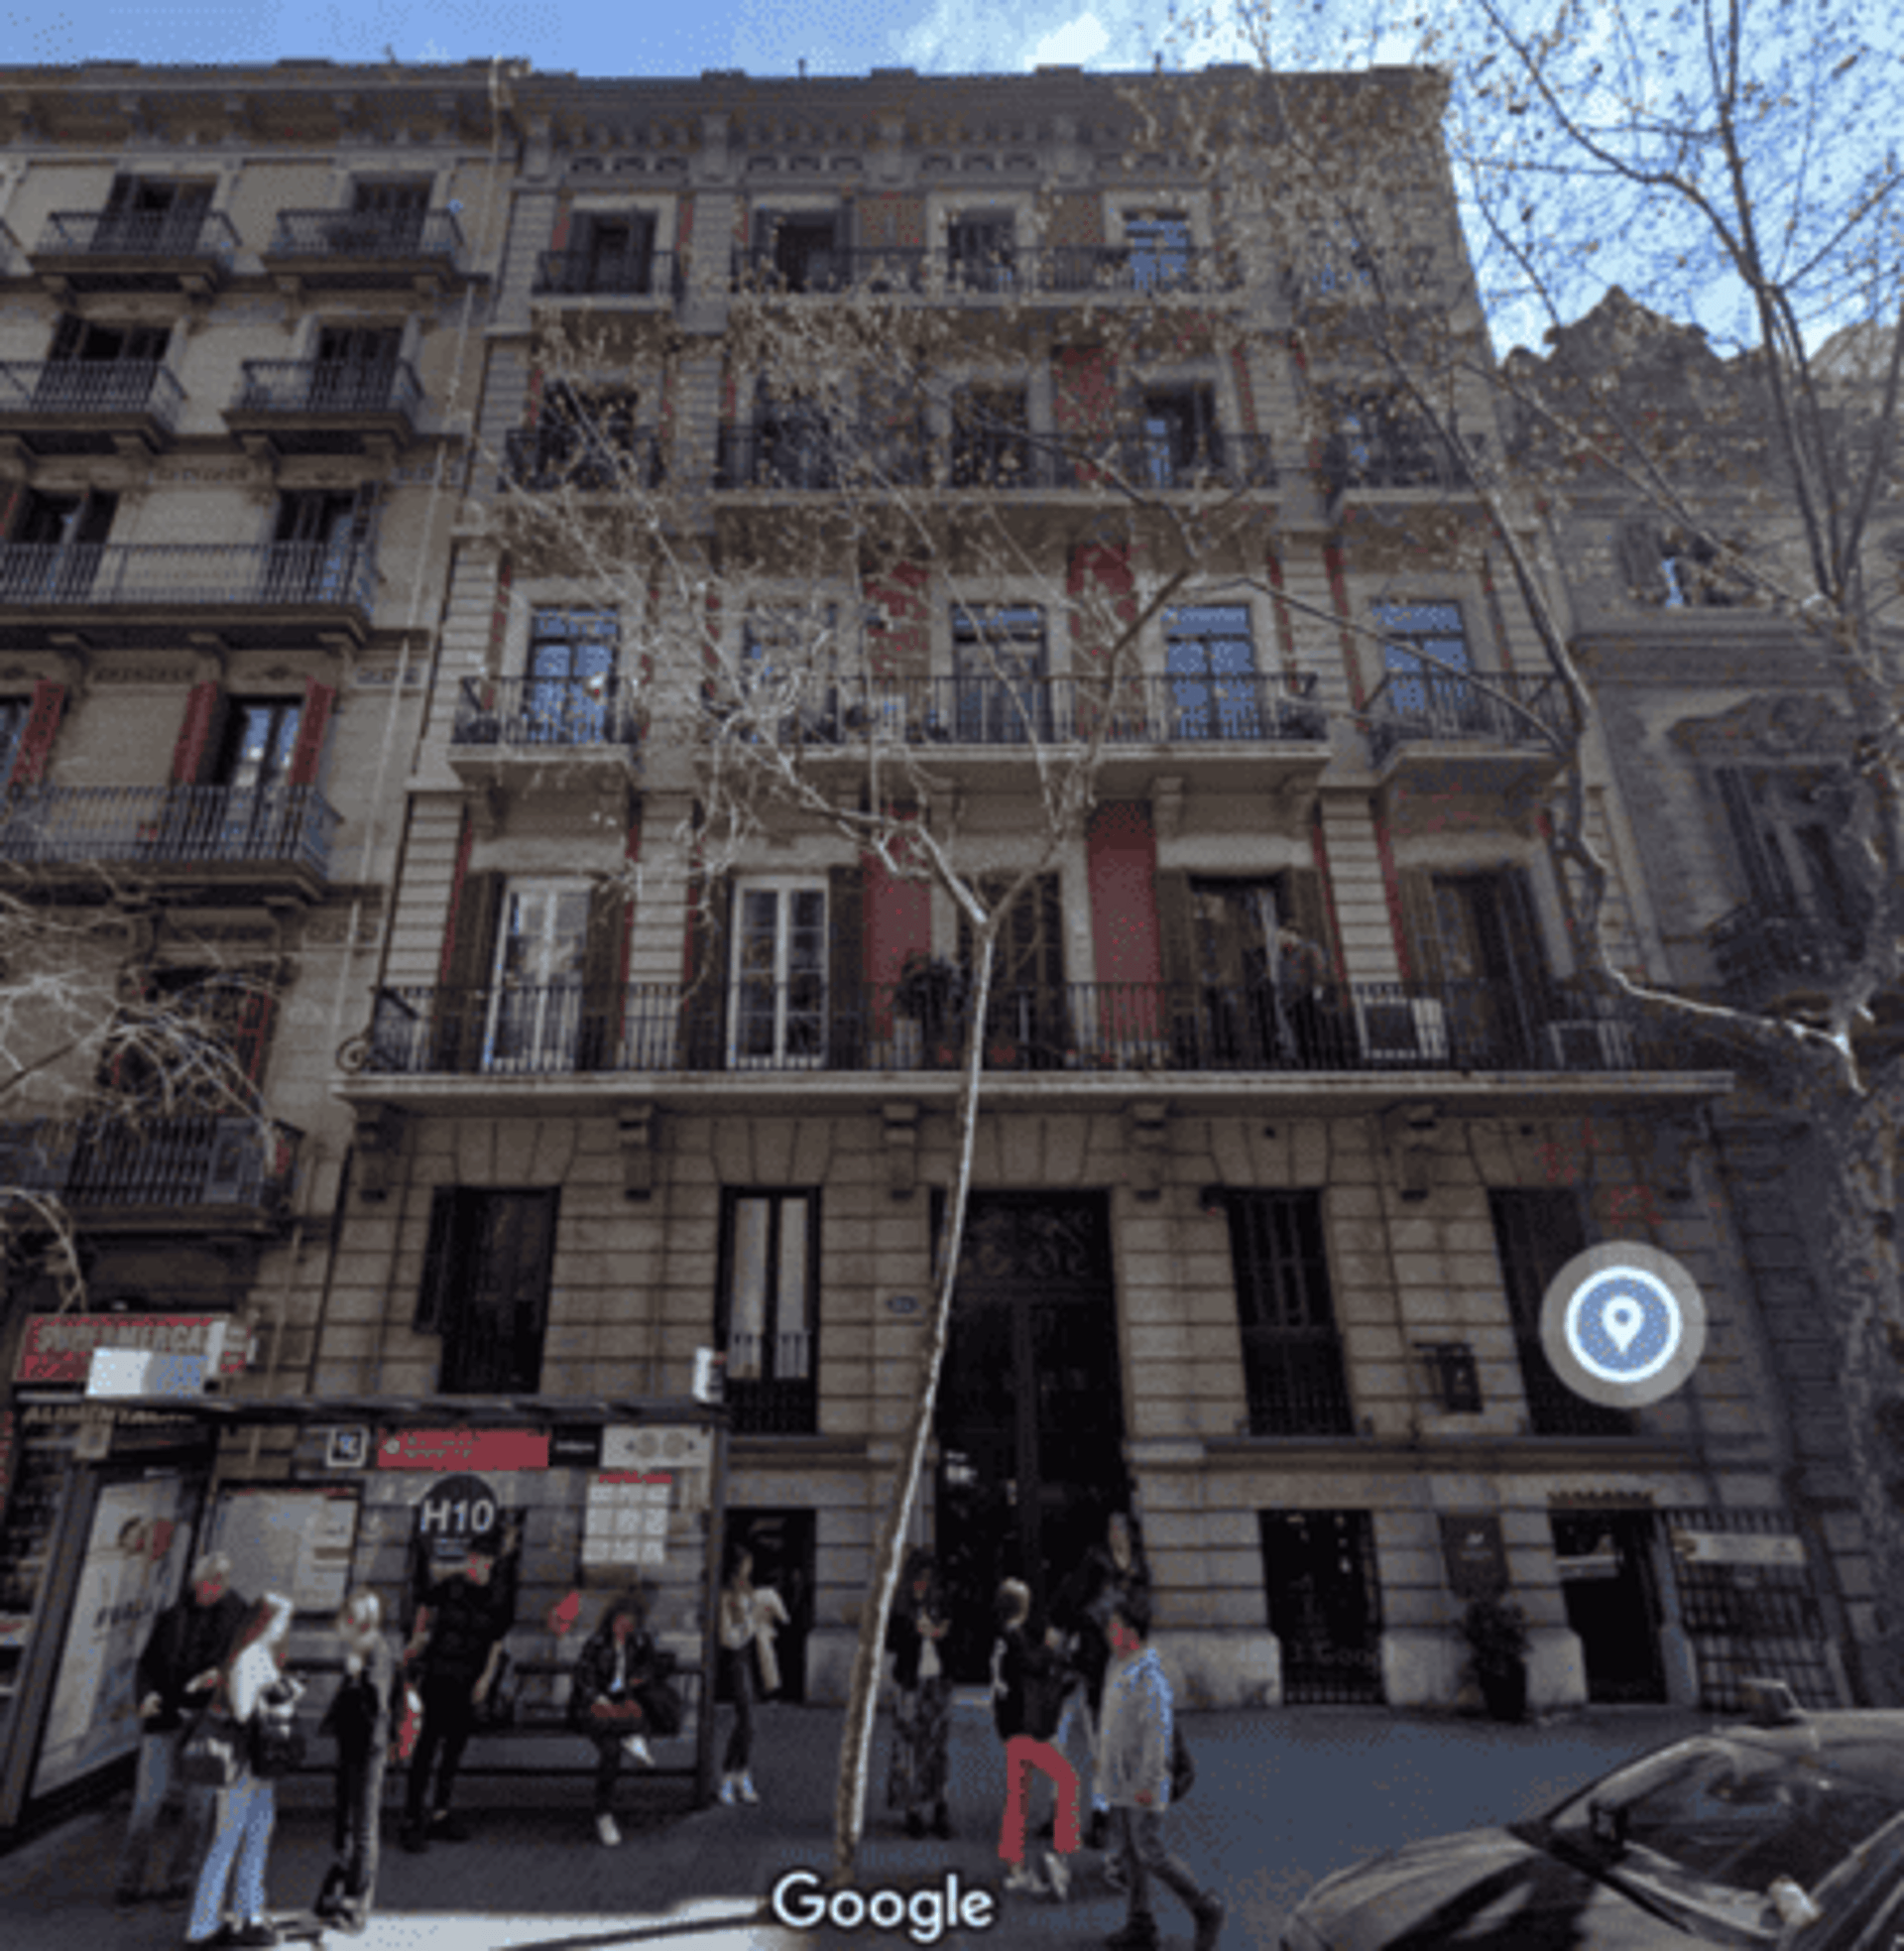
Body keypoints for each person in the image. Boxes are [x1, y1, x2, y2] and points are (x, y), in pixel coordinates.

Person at [116, 1550, 250, 1912]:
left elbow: (249, 1667)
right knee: (147, 1803)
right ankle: (129, 1882)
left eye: (215, 1585)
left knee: (197, 1806)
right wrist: (146, 1696)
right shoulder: (173, 1615)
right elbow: (147, 1665)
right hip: (165, 1717)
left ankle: (180, 1881)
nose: (208, 1591)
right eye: (203, 1585)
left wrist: (219, 1676)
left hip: (208, 1723)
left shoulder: (239, 1618)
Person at [1098, 1592, 1225, 1951]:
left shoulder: (1148, 1675)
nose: (1109, 1630)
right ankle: (1140, 1923)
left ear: (1132, 1632)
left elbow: (1158, 1735)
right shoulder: (1117, 1664)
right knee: (1130, 1852)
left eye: (1115, 1625)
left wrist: (1150, 1782)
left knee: (1150, 1850)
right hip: (1120, 1777)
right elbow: (1112, 1724)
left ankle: (1205, 1906)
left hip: (1143, 1780)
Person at [183, 1592, 299, 1950]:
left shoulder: (260, 1654)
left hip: (258, 1765)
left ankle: (250, 1912)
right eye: (282, 1620)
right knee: (229, 1840)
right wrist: (282, 1700)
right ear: (266, 1621)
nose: (285, 1627)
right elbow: (244, 1711)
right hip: (243, 1766)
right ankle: (202, 1924)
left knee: (257, 1837)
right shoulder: (249, 1657)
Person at [1053, 1511, 1151, 1864]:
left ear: (1129, 1532)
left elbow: (1146, 1614)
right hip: (1097, 1665)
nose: (1114, 1534)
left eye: (1119, 1528)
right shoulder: (1095, 1562)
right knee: (1101, 1745)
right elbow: (1070, 1602)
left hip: (1125, 1663)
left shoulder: (1139, 1567)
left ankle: (1107, 1813)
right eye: (1110, 1528)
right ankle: (1098, 1815)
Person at [399, 1541, 510, 1853]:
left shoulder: (496, 1596)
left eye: (483, 1560)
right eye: (473, 1560)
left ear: (491, 1562)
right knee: (426, 1749)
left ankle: (440, 1813)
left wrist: (486, 1679)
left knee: (452, 1753)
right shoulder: (451, 1586)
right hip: (438, 1677)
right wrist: (416, 1641)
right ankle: (411, 1818)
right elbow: (424, 1603)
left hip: (468, 1682)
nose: (477, 1566)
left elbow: (496, 1642)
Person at [315, 1591, 395, 1934]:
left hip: (368, 1749)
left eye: (342, 1620)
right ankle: (342, 1885)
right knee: (346, 1819)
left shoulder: (376, 1651)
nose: (337, 1627)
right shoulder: (362, 1650)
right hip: (351, 1745)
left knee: (363, 1825)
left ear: (355, 1621)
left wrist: (357, 1680)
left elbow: (375, 1707)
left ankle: (357, 1901)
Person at [991, 1578, 1073, 1899]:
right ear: (1021, 1607)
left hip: (1010, 1726)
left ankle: (1016, 1868)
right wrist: (1052, 1648)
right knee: (1066, 1780)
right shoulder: (1015, 1639)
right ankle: (1059, 1856)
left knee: (1018, 1796)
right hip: (1025, 1727)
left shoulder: (1003, 1637)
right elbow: (1033, 1664)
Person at [568, 1589, 661, 1846]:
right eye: (621, 1620)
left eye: (630, 1622)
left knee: (614, 1744)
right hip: (596, 1705)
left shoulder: (638, 1643)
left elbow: (650, 1671)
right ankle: (632, 1735)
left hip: (620, 1705)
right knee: (614, 1739)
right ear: (611, 1619)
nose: (624, 1626)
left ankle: (604, 1813)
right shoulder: (597, 1643)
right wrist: (596, 1696)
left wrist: (634, 1683)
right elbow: (582, 1676)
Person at [885, 1546, 954, 1839]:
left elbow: (955, 1635)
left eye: (928, 1577)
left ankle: (940, 1807)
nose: (923, 1584)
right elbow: (890, 1644)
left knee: (938, 1747)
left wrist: (939, 1633)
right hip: (911, 1683)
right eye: (919, 1577)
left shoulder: (940, 1603)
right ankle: (912, 1810)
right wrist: (914, 1631)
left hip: (937, 1681)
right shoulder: (900, 1607)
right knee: (910, 1747)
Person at [716, 1544, 766, 1806]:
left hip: (748, 1658)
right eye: (746, 1564)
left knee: (747, 1722)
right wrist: (751, 1623)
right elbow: (727, 1637)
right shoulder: (726, 1596)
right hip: (735, 1661)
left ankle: (738, 1774)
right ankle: (731, 1776)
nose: (750, 1569)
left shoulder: (747, 1591)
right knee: (746, 1721)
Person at [1273, 922, 1334, 1065]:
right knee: (1299, 1032)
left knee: (1312, 1030)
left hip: (1306, 996)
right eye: (1280, 938)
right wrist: (1282, 997)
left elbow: (1318, 968)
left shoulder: (1308, 949)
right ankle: (1305, 1059)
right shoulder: (1283, 955)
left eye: (1284, 937)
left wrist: (1317, 989)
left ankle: (1318, 1059)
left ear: (1293, 935)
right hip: (1290, 1000)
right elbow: (1283, 976)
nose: (1282, 940)